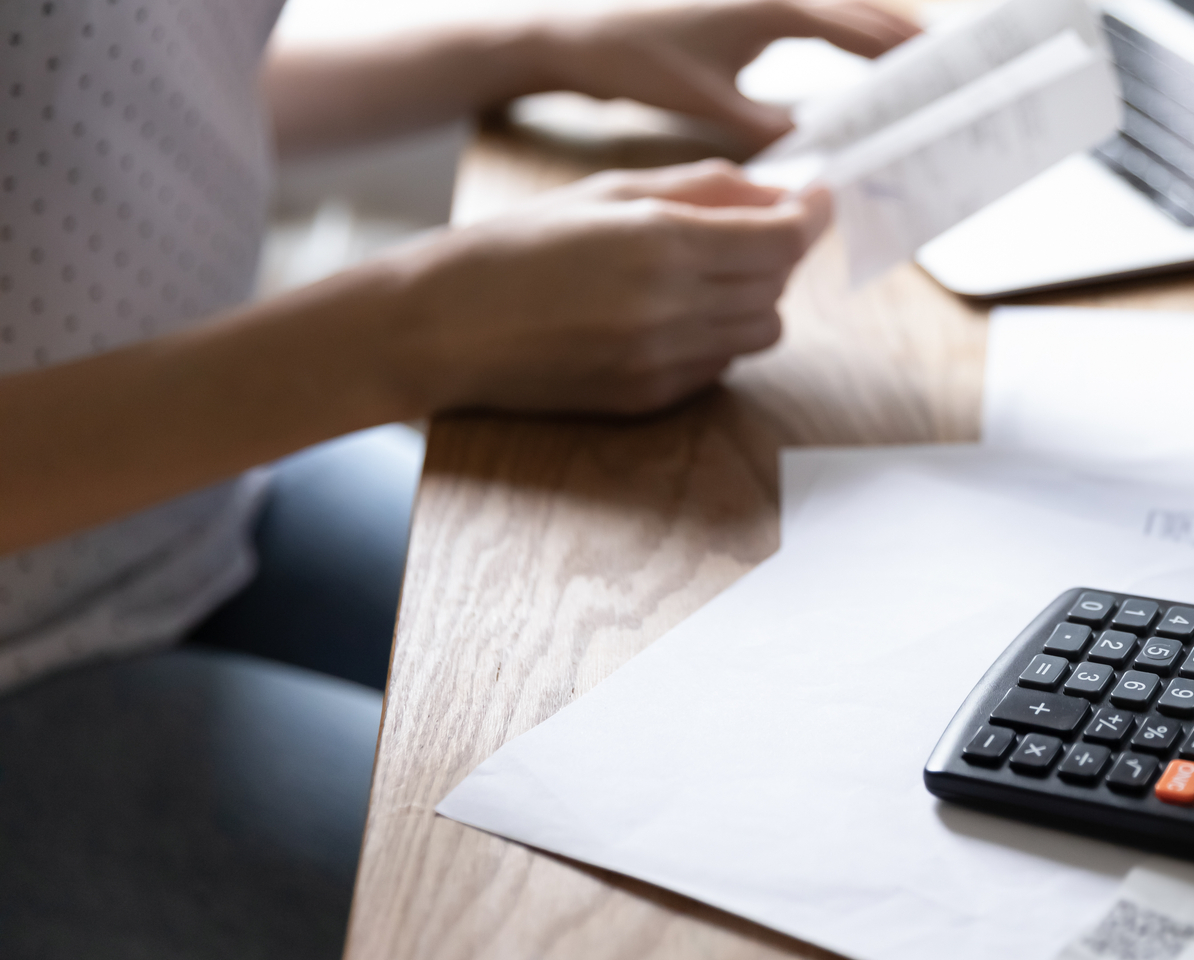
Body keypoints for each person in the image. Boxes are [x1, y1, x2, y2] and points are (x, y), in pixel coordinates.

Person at [0, 0, 917, 956]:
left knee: (768, 737)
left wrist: (533, 48)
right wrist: (411, 335)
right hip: (29, 650)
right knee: (632, 919)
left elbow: (110, 85)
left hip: (207, 491)